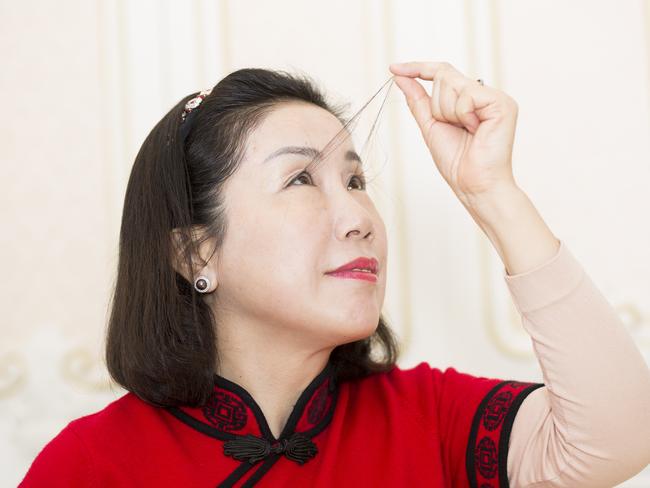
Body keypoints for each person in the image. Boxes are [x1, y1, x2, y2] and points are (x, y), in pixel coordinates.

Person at [20, 62, 650, 487]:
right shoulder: (90, 464)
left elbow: (620, 436)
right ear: (194, 255)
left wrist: (492, 193)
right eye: (300, 179)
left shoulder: (431, 418)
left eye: (356, 180)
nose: (358, 217)